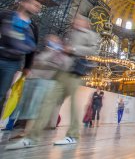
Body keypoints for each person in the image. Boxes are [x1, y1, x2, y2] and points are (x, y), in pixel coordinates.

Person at [6, 15, 99, 150]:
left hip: (74, 72)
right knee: (47, 102)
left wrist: (73, 49)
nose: (74, 21)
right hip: (61, 72)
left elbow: (93, 50)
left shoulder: (90, 35)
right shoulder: (69, 33)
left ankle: (73, 135)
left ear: (85, 23)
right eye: (74, 19)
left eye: (78, 19)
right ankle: (32, 138)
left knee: (73, 103)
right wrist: (56, 44)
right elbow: (60, 50)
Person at [0, 0, 41, 118]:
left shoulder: (33, 27)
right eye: (35, 5)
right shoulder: (5, 15)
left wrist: (27, 66)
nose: (37, 9)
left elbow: (32, 49)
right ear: (23, 3)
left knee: (2, 94)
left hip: (13, 63)